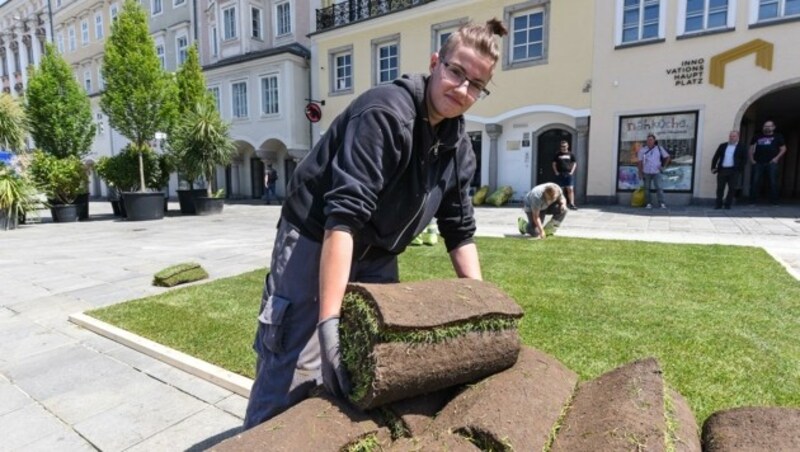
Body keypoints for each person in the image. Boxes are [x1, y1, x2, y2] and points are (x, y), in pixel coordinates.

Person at [243, 18, 508, 429]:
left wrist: (483, 309)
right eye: (456, 72)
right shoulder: (386, 113)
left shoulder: (458, 148)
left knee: (368, 361)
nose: (462, 89)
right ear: (436, 62)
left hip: (378, 251)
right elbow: (343, 218)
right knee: (296, 365)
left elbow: (459, 231)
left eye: (476, 84)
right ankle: (261, 435)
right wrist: (328, 323)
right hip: (317, 237)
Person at [749, 120, 787, 205]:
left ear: (773, 127)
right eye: (765, 126)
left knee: (773, 182)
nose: (767, 127)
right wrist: (752, 160)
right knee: (755, 181)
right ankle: (752, 201)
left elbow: (783, 149)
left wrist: (776, 158)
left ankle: (774, 202)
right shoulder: (756, 136)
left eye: (769, 126)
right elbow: (751, 148)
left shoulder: (778, 136)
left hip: (771, 163)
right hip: (758, 162)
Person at [711, 130, 747, 210]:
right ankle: (718, 204)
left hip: (734, 170)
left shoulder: (742, 147)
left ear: (738, 137)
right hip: (722, 170)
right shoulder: (723, 146)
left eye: (734, 136)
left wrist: (739, 170)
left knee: (732, 188)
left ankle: (728, 204)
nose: (731, 138)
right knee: (720, 188)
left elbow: (744, 159)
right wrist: (713, 167)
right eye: (730, 136)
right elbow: (716, 157)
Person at [636, 133, 671, 209]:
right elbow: (640, 162)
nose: (649, 141)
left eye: (651, 140)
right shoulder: (642, 150)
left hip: (656, 172)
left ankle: (662, 203)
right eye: (648, 140)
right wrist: (640, 172)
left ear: (654, 140)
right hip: (646, 171)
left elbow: (667, 157)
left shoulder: (659, 148)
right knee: (646, 189)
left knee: (659, 188)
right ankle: (648, 203)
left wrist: (663, 167)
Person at [552, 140, 577, 210]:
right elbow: (554, 164)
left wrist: (572, 172)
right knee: (560, 190)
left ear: (567, 146)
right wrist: (556, 172)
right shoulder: (557, 154)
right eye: (562, 146)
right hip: (560, 174)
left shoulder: (571, 154)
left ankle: (572, 204)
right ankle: (562, 204)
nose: (563, 147)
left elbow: (574, 163)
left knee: (570, 189)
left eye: (565, 146)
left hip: (568, 174)